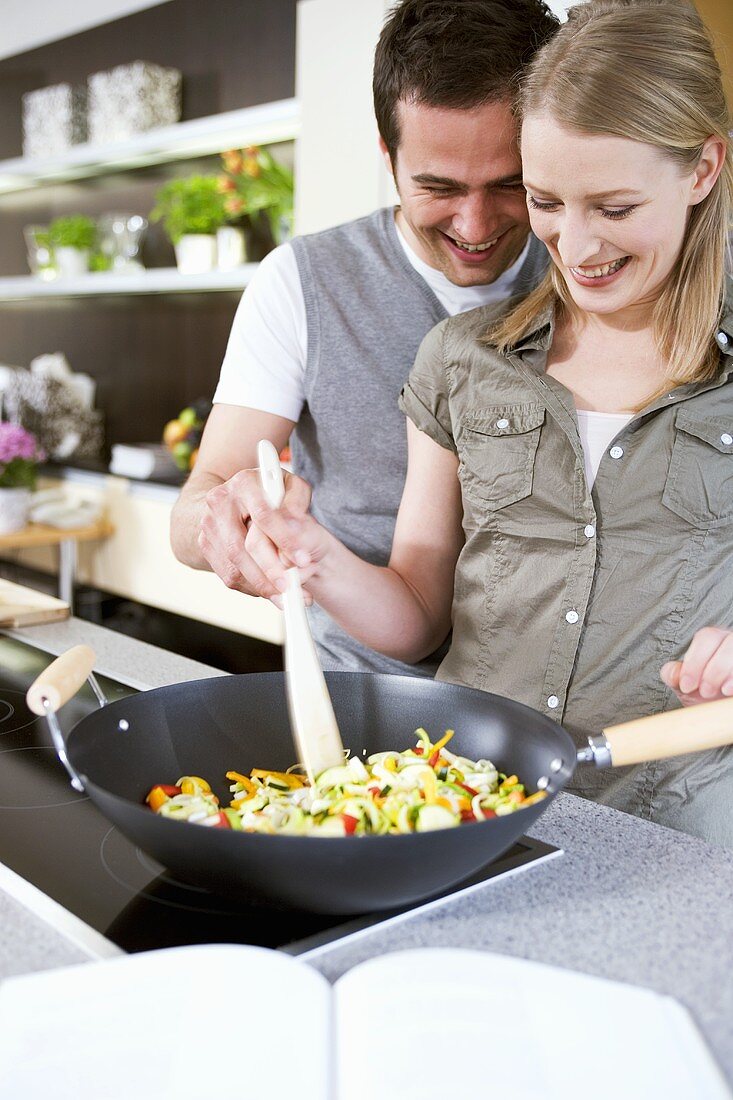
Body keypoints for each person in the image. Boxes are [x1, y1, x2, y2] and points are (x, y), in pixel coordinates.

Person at [244, 0, 733, 846]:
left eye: (612, 207)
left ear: (700, 169)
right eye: (543, 199)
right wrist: (313, 554)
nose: (573, 246)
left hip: (679, 818)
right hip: (473, 803)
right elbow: (418, 616)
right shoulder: (460, 358)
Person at [170, 0, 558, 675]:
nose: (474, 224)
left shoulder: (590, 270)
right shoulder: (302, 281)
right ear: (387, 154)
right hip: (356, 684)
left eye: (510, 186)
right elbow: (196, 506)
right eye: (437, 186)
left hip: (537, 689)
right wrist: (230, 526)